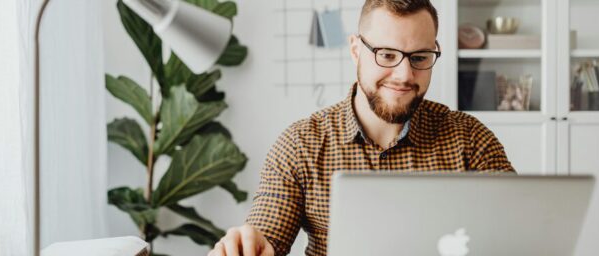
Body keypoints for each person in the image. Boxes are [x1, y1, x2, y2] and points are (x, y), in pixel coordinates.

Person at [208, 1, 515, 255]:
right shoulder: (301, 144)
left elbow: (520, 232)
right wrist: (249, 246)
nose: (404, 74)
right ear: (356, 49)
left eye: (420, 57)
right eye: (387, 55)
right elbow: (266, 234)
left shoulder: (470, 139)